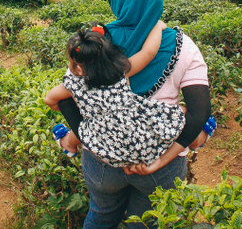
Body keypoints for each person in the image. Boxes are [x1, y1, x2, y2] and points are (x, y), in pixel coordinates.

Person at [56, 0, 211, 229]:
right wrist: (165, 158)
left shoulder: (95, 44)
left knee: (100, 215)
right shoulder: (183, 47)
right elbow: (199, 113)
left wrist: (86, 135)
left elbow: (68, 95)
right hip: (159, 164)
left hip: (102, 160)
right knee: (145, 226)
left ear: (117, 2)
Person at [44, 26, 186, 166]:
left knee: (86, 122)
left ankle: (67, 144)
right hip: (144, 141)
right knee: (180, 111)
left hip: (108, 151)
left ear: (80, 69)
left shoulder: (73, 85)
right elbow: (148, 53)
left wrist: (81, 105)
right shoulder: (119, 71)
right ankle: (199, 132)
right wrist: (158, 27)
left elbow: (49, 99)